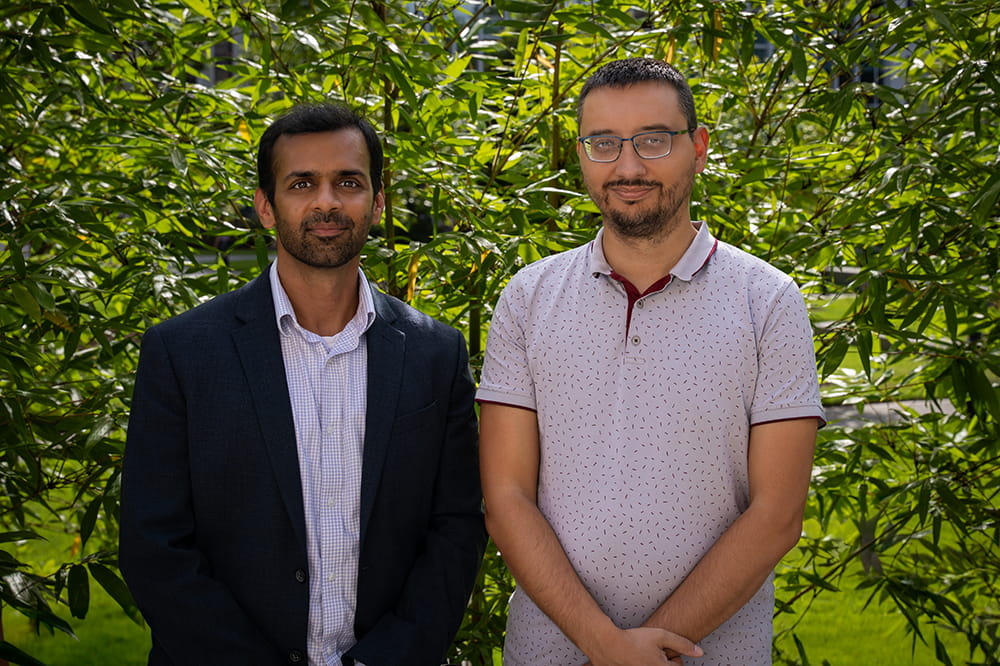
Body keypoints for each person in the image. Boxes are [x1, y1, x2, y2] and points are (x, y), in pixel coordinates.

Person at [477, 57, 825, 666]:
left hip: (713, 654)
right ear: (582, 154)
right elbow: (506, 498)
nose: (628, 166)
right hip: (549, 651)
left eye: (654, 140)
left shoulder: (767, 301)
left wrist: (643, 654)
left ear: (699, 147)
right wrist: (606, 645)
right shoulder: (528, 299)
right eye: (604, 143)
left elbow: (777, 516)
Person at [119, 103, 486, 666]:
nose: (327, 202)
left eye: (349, 182)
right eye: (301, 183)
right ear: (266, 206)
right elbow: (155, 546)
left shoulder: (435, 353)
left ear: (377, 202)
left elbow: (455, 528)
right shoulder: (183, 353)